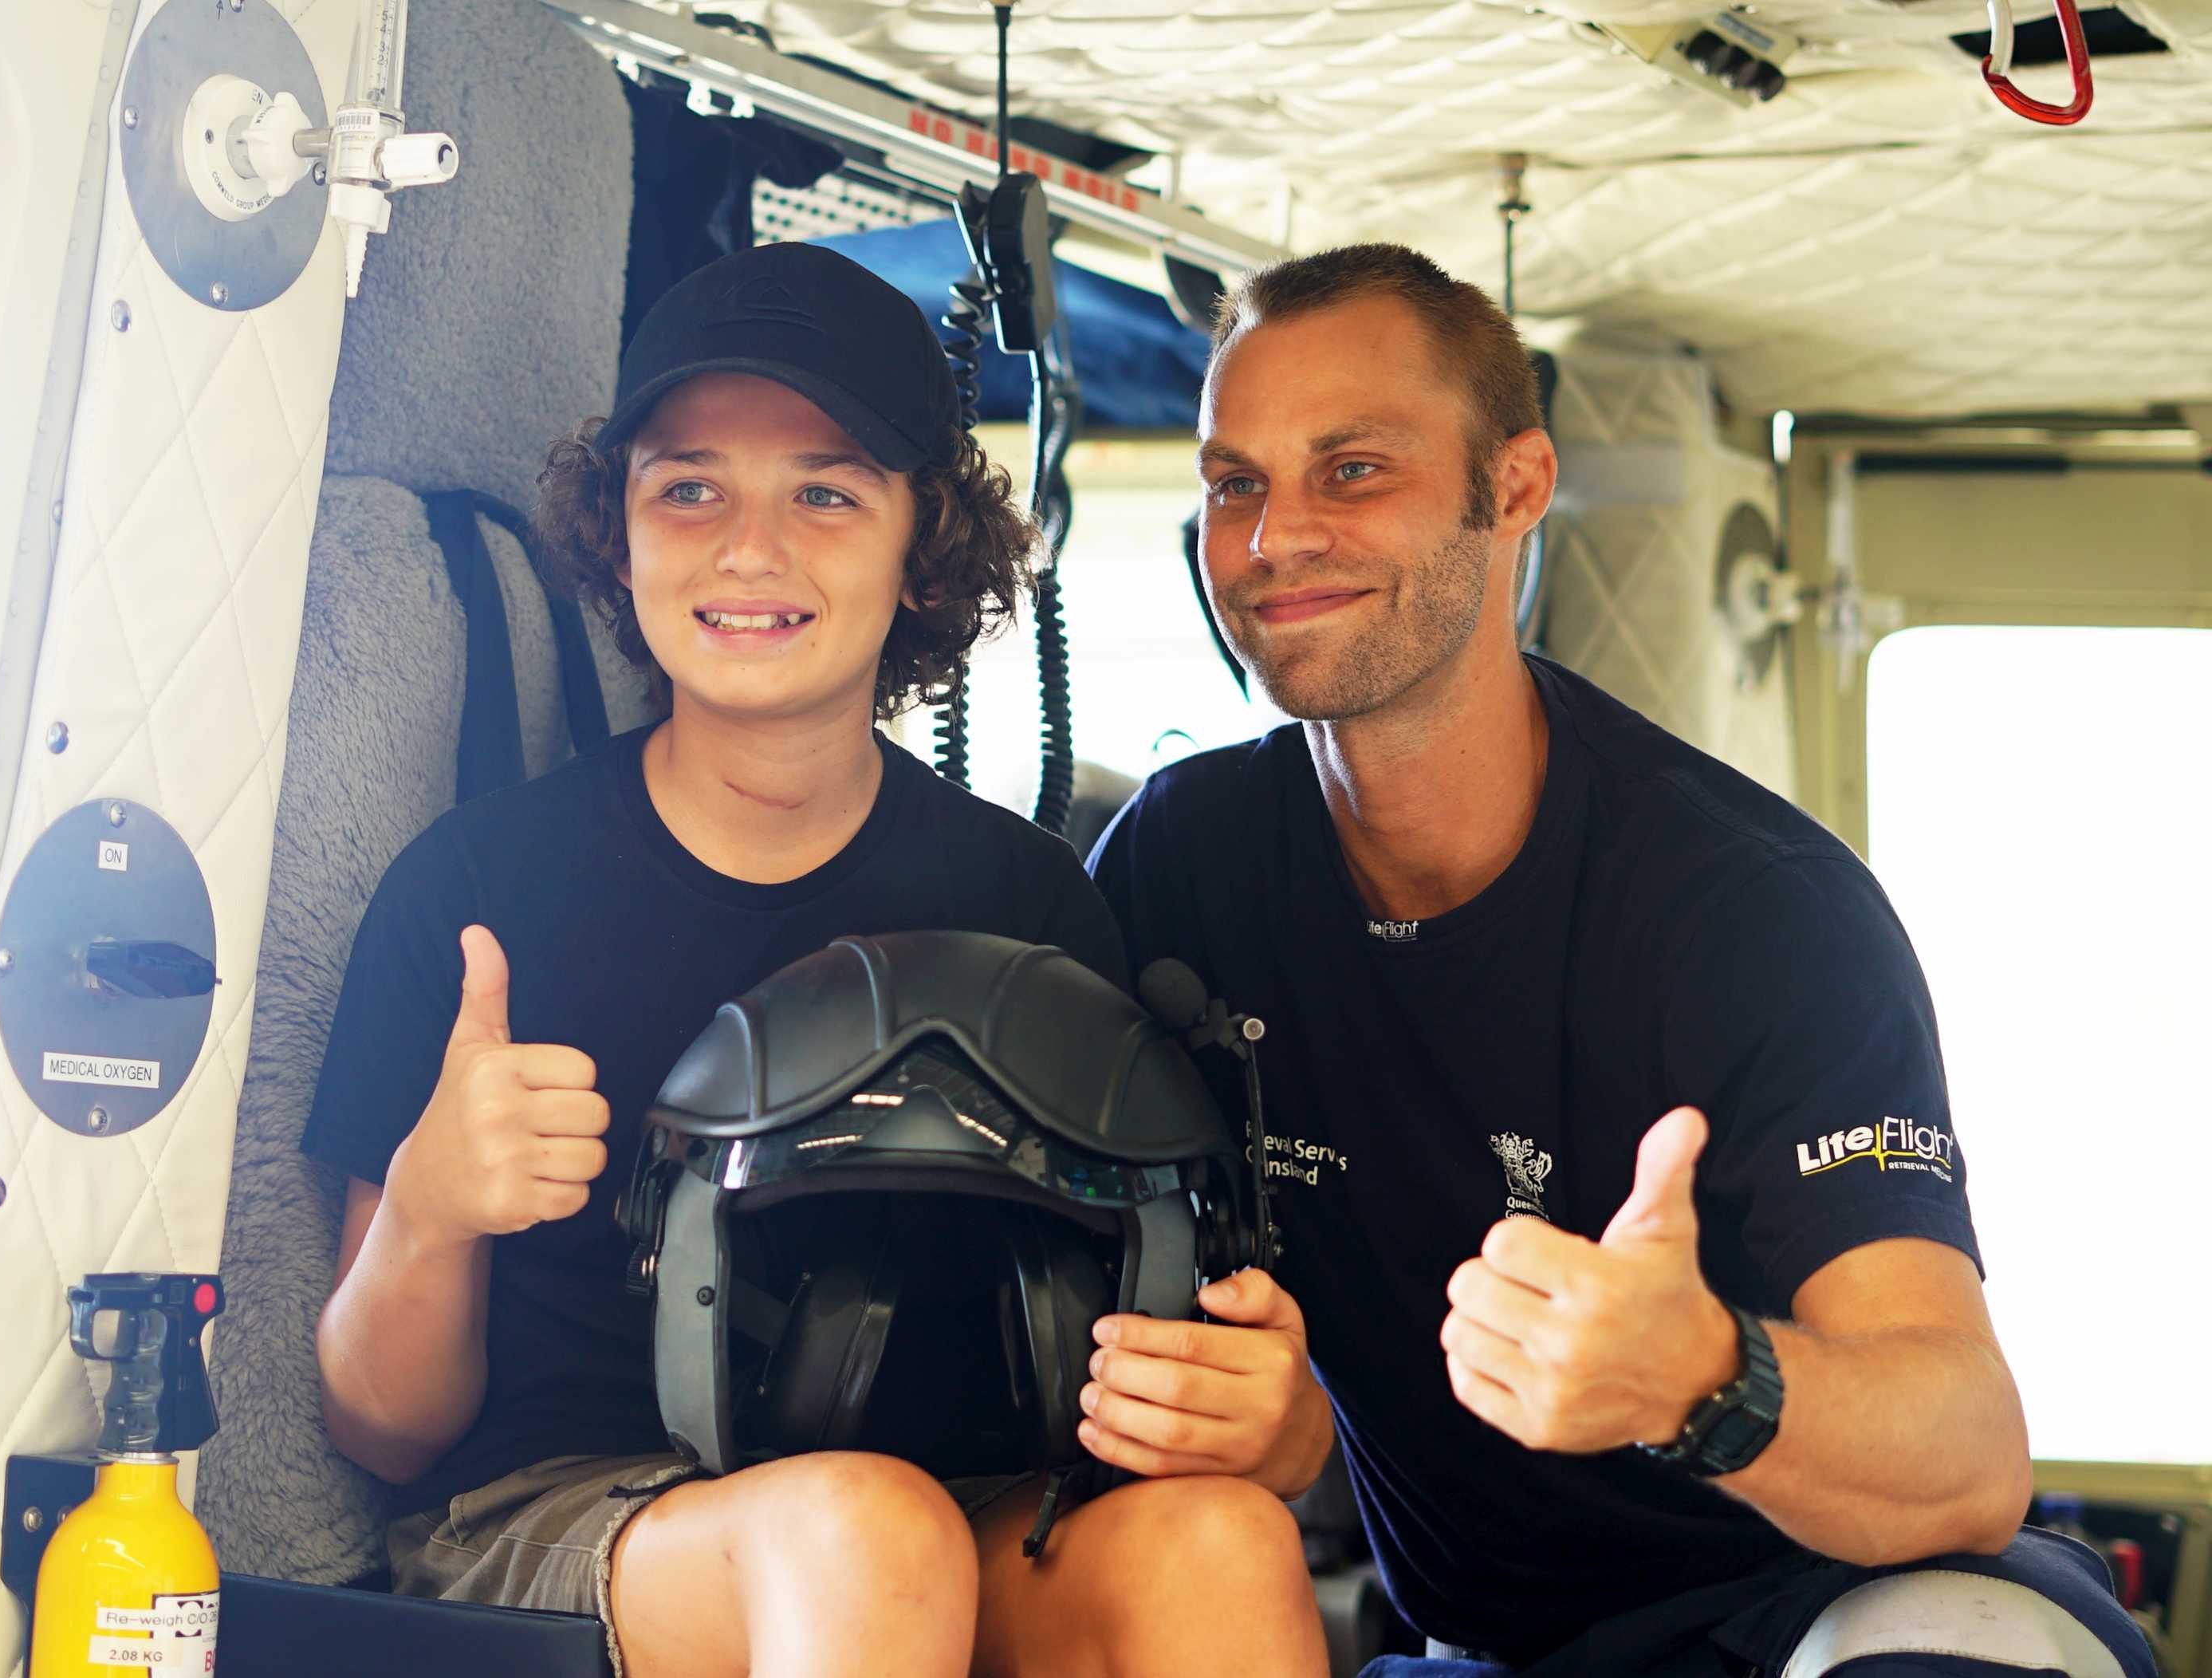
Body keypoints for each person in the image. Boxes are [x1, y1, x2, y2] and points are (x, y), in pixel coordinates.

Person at [1085, 243, 2154, 1678]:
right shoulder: (1181, 865)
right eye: (1235, 484)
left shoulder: (1755, 909)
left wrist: (1703, 1379)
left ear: (1517, 488)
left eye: (1353, 471)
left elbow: (1968, 1453)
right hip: (1487, 1650)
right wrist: (1275, 1429)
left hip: (1832, 1613)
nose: (1273, 537)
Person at [306, 242, 1327, 1678]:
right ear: (619, 533)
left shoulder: (1024, 901)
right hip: (565, 1515)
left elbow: (1172, 1366)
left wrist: (1265, 1424)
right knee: (863, 1532)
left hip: (960, 1503)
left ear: (925, 551)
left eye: (827, 492)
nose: (749, 547)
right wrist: (428, 1207)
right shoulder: (476, 893)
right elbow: (378, 1427)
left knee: (1218, 1542)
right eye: (689, 487)